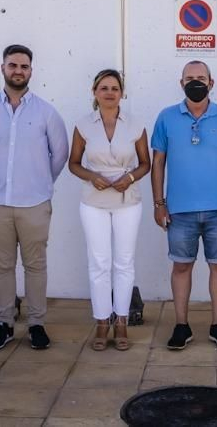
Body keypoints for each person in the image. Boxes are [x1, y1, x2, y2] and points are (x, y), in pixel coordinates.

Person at [0, 43, 68, 352]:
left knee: (36, 266)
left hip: (35, 204)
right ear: (2, 68)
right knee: (2, 266)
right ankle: (5, 323)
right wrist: (0, 179)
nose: (18, 71)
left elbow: (60, 154)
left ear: (31, 71)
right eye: (12, 65)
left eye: (24, 66)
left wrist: (39, 182)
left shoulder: (46, 112)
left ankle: (36, 324)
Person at [150, 60, 217, 351]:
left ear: (211, 83)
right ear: (181, 83)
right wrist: (159, 203)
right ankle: (181, 325)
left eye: (201, 78)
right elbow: (157, 163)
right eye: (190, 78)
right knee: (181, 267)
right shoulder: (166, 117)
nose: (196, 83)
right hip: (180, 211)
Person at [69, 69, 150, 352]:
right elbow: (74, 163)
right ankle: (102, 322)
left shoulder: (136, 125)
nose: (109, 93)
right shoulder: (83, 125)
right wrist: (92, 176)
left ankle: (122, 321)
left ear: (122, 93)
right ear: (94, 92)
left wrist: (129, 178)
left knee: (124, 262)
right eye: (104, 88)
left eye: (115, 88)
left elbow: (145, 163)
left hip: (128, 200)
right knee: (99, 263)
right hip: (94, 201)